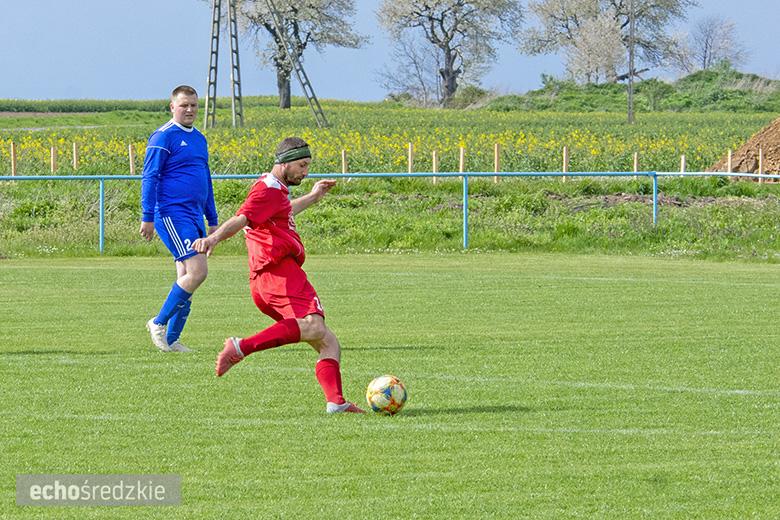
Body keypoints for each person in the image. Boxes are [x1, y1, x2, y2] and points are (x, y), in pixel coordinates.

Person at [192, 137, 365, 413]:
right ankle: (240, 347)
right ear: (285, 161)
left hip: (267, 279)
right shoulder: (267, 190)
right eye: (302, 165)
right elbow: (242, 218)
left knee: (328, 343)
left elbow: (281, 212)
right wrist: (213, 239)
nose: (305, 172)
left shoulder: (276, 190)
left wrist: (313, 196)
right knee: (314, 326)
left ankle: (336, 402)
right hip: (278, 272)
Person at [140, 85, 218, 352]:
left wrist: (212, 217)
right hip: (173, 214)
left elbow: (205, 178)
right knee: (198, 272)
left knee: (187, 276)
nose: (190, 110)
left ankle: (172, 340)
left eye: (194, 105)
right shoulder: (163, 136)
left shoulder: (199, 138)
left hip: (195, 214)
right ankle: (159, 323)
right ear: (172, 107)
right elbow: (150, 176)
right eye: (184, 105)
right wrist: (147, 216)